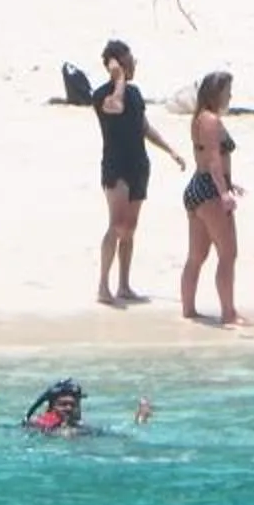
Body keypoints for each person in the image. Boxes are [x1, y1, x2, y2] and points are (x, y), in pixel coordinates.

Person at [90, 38, 185, 306]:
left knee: (130, 228)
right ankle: (103, 286)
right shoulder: (102, 96)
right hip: (115, 165)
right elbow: (115, 107)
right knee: (117, 224)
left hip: (138, 163)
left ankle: (124, 285)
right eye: (128, 63)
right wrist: (118, 78)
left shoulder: (135, 93)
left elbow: (143, 126)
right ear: (115, 66)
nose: (133, 67)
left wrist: (170, 150)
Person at [178, 69, 247, 327]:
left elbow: (207, 159)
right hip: (209, 190)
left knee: (196, 255)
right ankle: (229, 313)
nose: (230, 95)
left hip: (199, 187)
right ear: (217, 93)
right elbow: (214, 161)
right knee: (228, 253)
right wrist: (223, 192)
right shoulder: (210, 121)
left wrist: (230, 184)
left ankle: (189, 309)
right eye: (228, 91)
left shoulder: (199, 119)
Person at [0, 378, 151, 433]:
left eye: (73, 404)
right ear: (51, 407)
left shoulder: (86, 429)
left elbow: (125, 433)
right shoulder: (37, 426)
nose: (69, 409)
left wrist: (141, 419)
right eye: (63, 404)